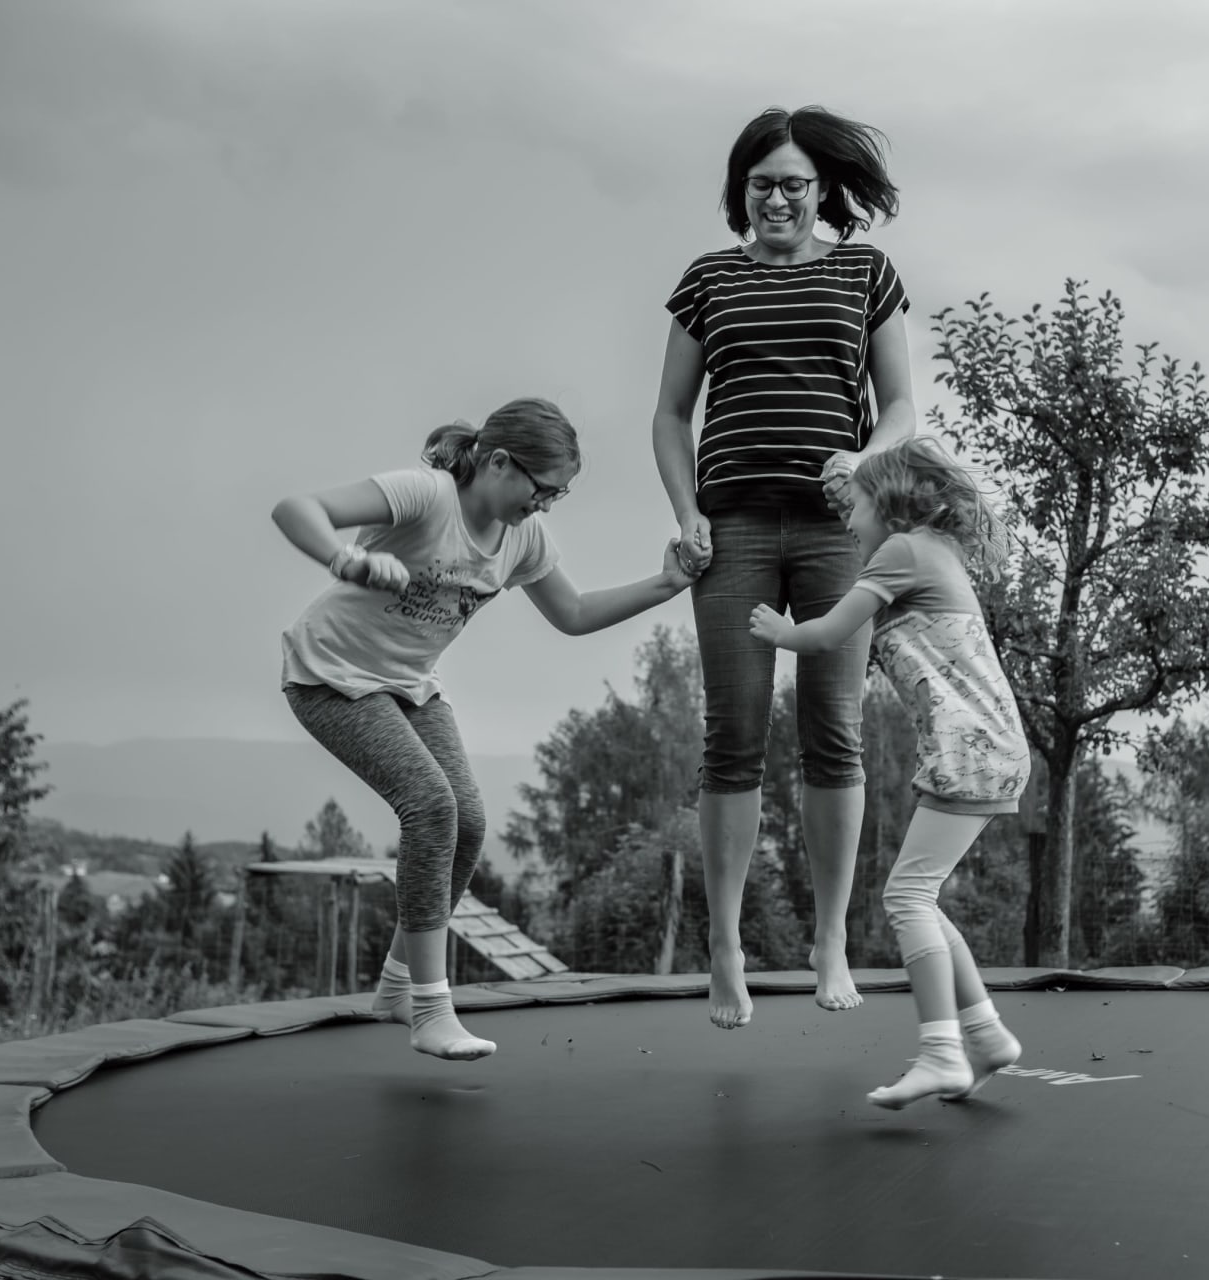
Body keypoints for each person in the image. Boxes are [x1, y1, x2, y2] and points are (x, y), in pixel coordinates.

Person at [273, 397, 700, 1060]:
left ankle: (396, 987)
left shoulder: (522, 538)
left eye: (558, 495)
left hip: (409, 685)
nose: (546, 505)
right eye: (542, 489)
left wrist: (666, 585)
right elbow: (294, 509)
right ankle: (429, 1008)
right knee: (430, 806)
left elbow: (573, 613)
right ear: (499, 462)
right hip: (330, 675)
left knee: (468, 823)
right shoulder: (427, 496)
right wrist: (344, 559)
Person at [652, 104, 915, 1029]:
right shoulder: (709, 279)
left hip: (836, 529)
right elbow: (670, 414)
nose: (777, 199)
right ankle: (725, 946)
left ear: (821, 190)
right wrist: (686, 513)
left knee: (833, 732)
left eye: (794, 185)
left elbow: (902, 407)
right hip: (731, 530)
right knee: (731, 735)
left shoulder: (864, 272)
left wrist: (864, 459)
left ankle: (830, 939)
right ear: (743, 190)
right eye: (762, 184)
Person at [749, 438, 1029, 1109]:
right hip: (988, 748)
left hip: (971, 750)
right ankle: (986, 1036)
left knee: (906, 899)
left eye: (854, 506)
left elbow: (826, 634)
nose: (846, 521)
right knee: (920, 896)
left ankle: (941, 1054)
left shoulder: (901, 551)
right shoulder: (934, 549)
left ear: (889, 502)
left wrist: (779, 630)